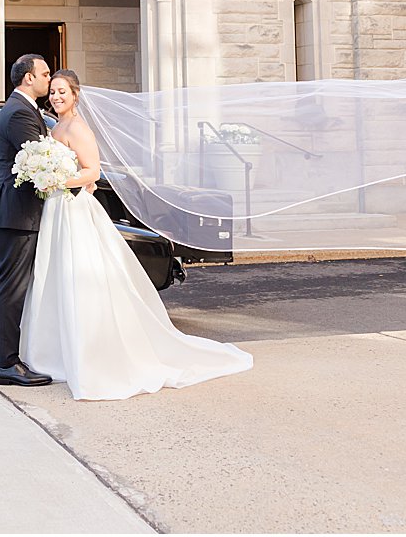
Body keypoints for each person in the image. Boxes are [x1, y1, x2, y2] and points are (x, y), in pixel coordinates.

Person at [21, 70, 254, 400]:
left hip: (73, 209)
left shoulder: (79, 127)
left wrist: (57, 179)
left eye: (63, 91)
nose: (57, 96)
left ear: (75, 94)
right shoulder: (56, 126)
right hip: (57, 209)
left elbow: (93, 171)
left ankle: (90, 356)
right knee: (55, 276)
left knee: (80, 278)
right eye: (54, 91)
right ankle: (56, 353)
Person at [0, 53, 53, 387]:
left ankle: (3, 360)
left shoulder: (23, 109)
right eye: (44, 74)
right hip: (16, 212)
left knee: (13, 286)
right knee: (12, 288)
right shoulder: (18, 113)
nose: (48, 80)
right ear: (29, 78)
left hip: (16, 211)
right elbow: (44, 159)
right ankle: (7, 364)